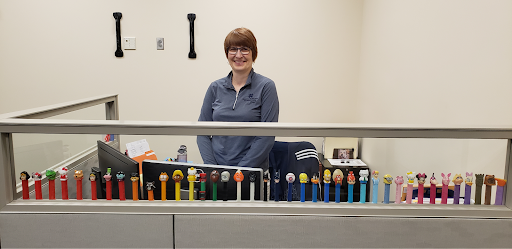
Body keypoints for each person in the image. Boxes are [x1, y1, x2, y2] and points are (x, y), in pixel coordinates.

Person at [197, 27, 279, 170]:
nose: (238, 55)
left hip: (250, 172)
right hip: (217, 173)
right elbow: (201, 132)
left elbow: (266, 136)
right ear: (227, 54)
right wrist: (212, 168)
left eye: (245, 49)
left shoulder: (266, 86)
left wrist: (240, 172)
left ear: (254, 53)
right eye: (233, 49)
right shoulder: (215, 87)